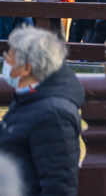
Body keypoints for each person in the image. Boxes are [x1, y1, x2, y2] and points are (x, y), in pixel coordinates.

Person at [0, 27, 85, 196]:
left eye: (9, 56)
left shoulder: (52, 114)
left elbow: (59, 185)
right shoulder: (28, 97)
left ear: (26, 68)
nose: (5, 61)